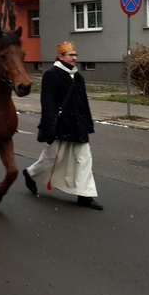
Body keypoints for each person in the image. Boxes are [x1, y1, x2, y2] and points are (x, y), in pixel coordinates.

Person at [22, 41, 103, 210]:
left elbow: (84, 102)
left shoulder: (78, 76)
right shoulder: (52, 75)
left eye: (75, 55)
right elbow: (48, 102)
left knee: (84, 159)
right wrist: (49, 125)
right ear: (61, 56)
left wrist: (88, 122)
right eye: (71, 55)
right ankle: (31, 173)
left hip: (78, 125)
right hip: (61, 124)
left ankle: (85, 195)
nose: (75, 58)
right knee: (53, 157)